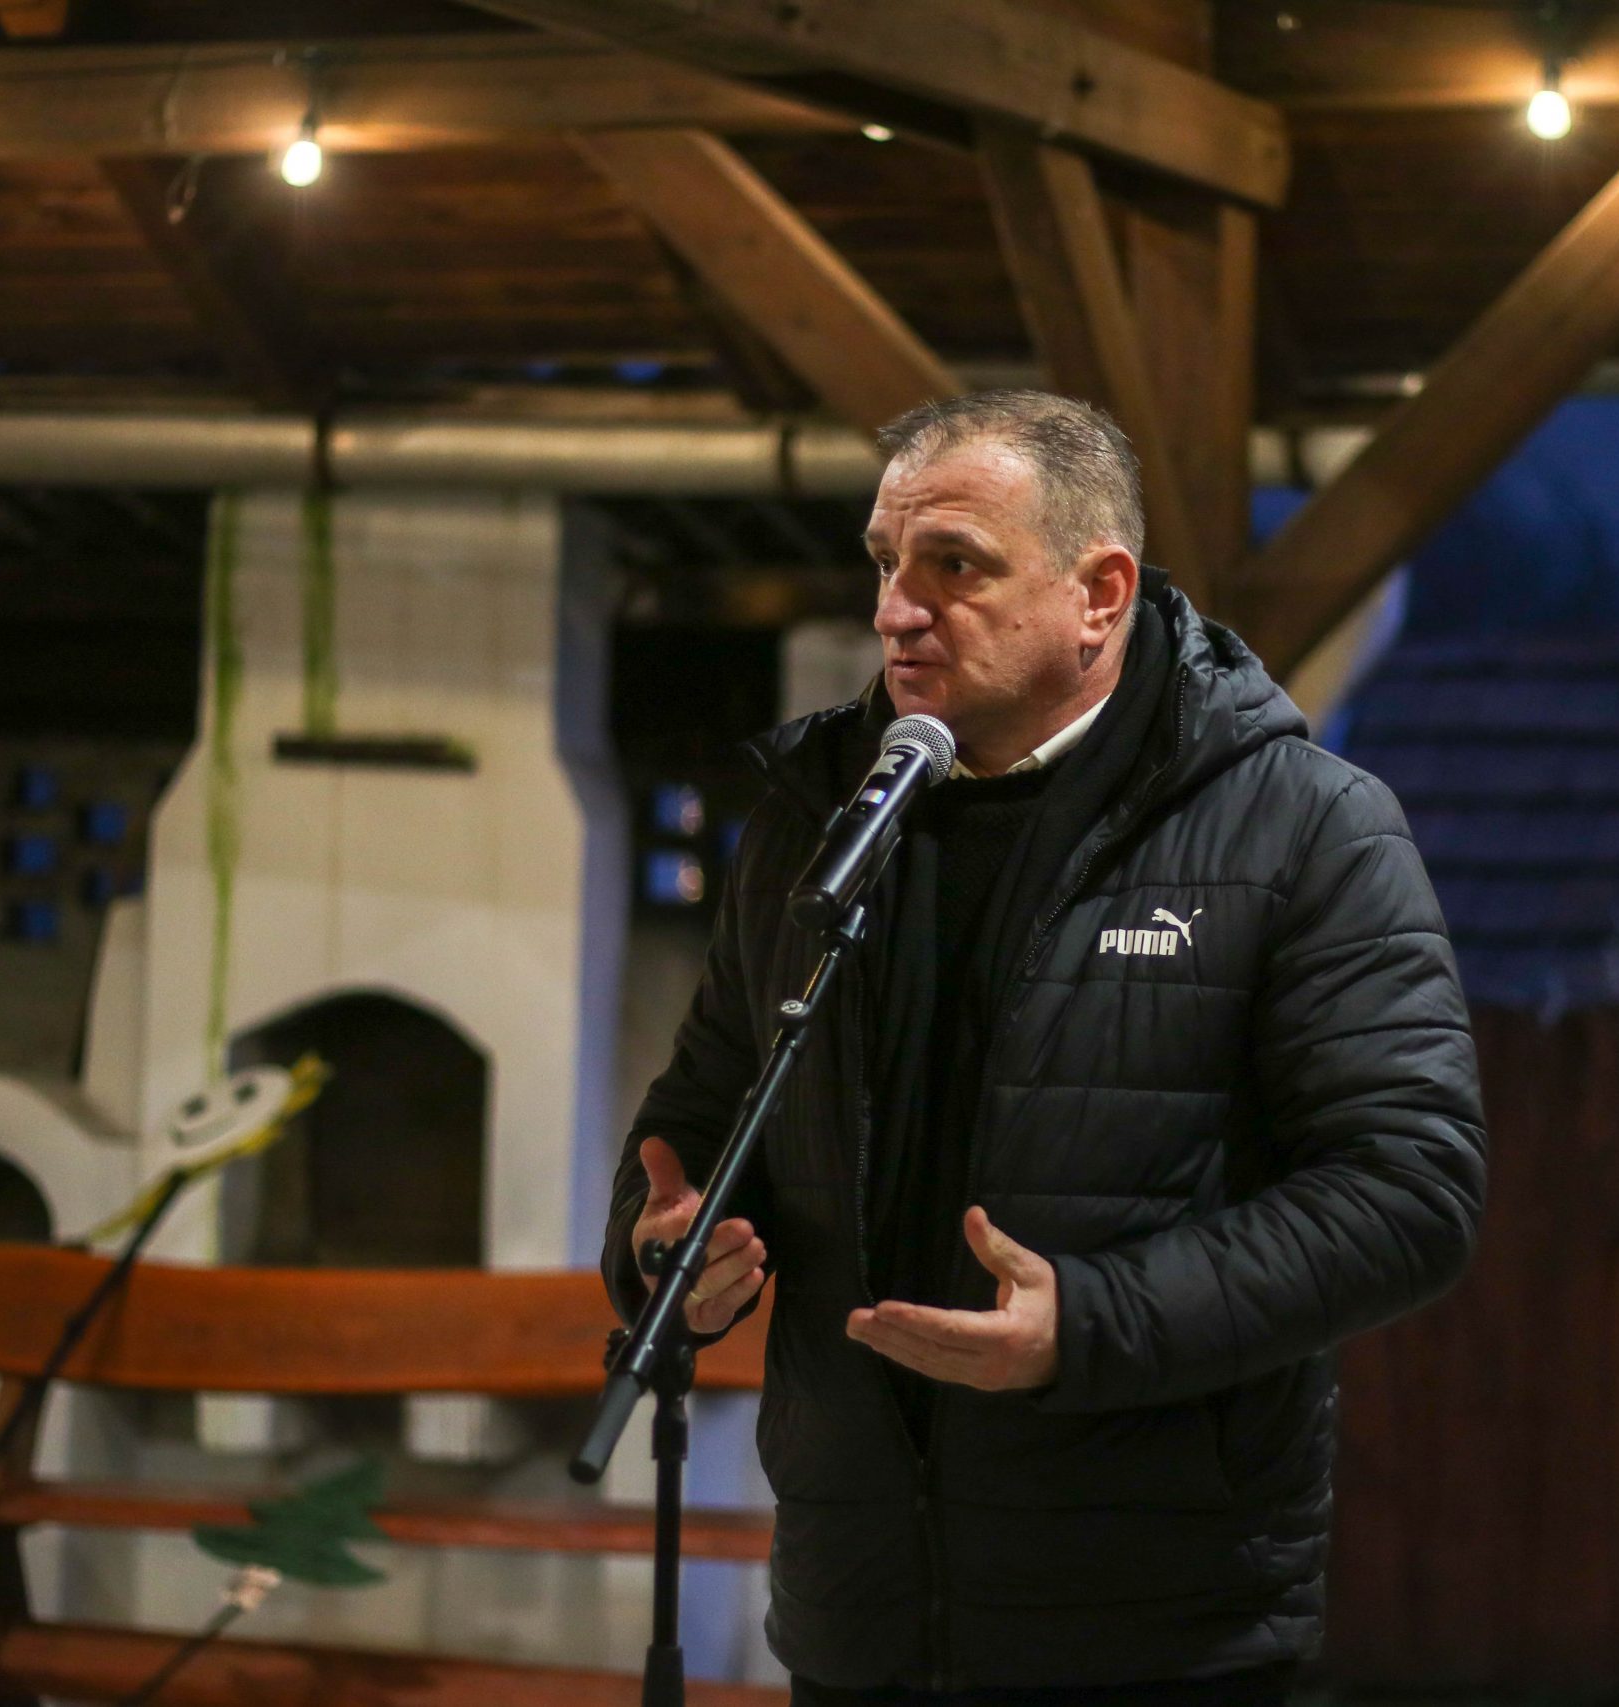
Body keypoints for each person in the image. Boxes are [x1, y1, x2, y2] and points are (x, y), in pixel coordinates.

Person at [603, 390, 1486, 1705]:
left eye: (954, 565)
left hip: (1154, 1627)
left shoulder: (1303, 826)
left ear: (1099, 594)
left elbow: (1411, 1192)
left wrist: (1093, 1321)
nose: (897, 609)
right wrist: (664, 1246)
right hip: (857, 1615)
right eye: (886, 563)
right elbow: (701, 1114)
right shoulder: (815, 818)